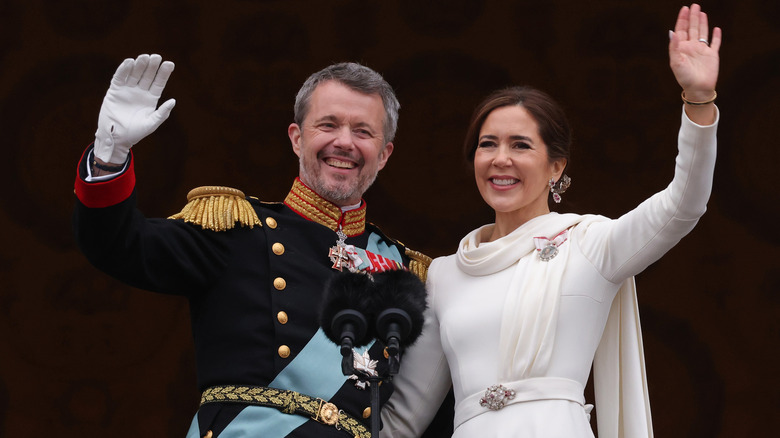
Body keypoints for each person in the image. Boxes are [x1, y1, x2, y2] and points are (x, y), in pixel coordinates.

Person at [381, 4, 720, 437]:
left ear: (556, 166)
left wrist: (699, 101)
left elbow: (683, 205)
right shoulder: (445, 274)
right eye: (488, 144)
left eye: (521, 145)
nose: (501, 159)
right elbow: (404, 418)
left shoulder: (590, 243)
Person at [73, 57, 439, 437]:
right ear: (297, 137)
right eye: (328, 125)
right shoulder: (236, 227)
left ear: (384, 154)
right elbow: (117, 245)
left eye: (363, 131)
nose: (344, 142)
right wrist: (109, 155)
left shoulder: (404, 272)